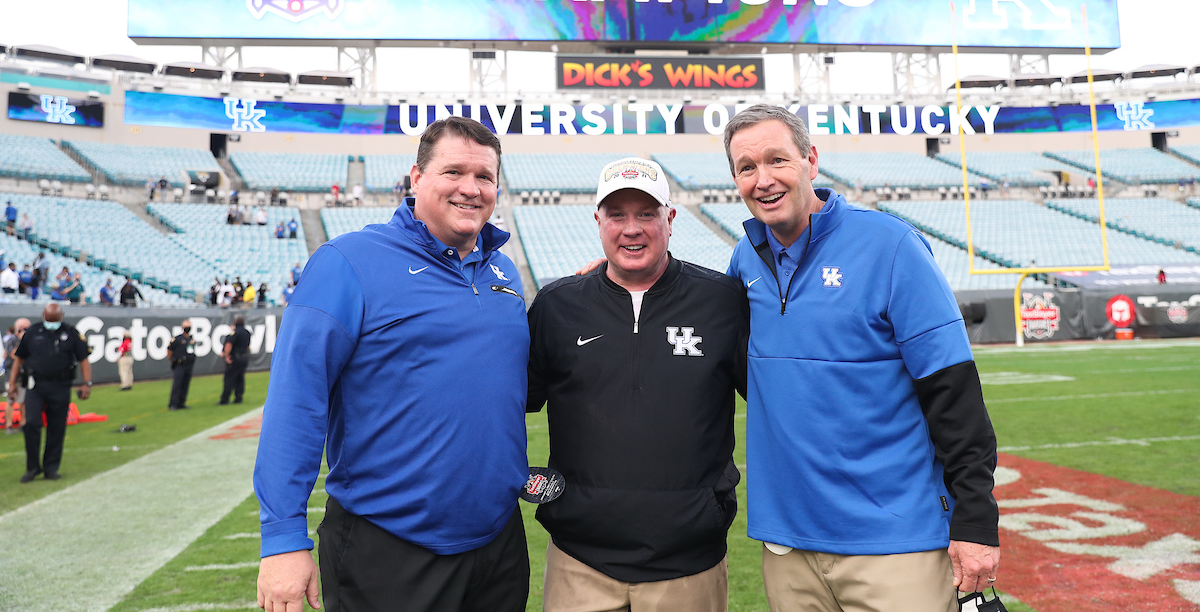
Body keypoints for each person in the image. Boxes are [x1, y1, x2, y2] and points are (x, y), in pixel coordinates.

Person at [722, 105, 1000, 612]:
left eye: (777, 160)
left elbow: (954, 392)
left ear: (811, 159)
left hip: (895, 543)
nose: (763, 180)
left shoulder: (890, 245)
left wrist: (976, 522)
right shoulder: (744, 259)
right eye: (746, 167)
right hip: (789, 546)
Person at [255, 117, 530, 612]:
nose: (471, 189)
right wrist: (282, 538)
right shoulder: (348, 261)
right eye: (453, 172)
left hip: (498, 542)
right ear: (416, 178)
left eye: (485, 177)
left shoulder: (502, 269)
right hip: (389, 545)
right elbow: (296, 404)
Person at [528, 158, 748, 612]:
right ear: (598, 222)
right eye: (617, 215)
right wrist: (521, 476)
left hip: (691, 566)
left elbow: (777, 399)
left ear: (670, 219)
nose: (632, 229)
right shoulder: (557, 306)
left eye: (646, 214)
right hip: (578, 563)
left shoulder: (723, 303)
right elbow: (508, 404)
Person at [8, 303, 91, 482]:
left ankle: (51, 468)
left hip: (61, 385)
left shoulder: (71, 333)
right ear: (43, 315)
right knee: (31, 423)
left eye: (55, 320)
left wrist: (87, 383)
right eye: (49, 319)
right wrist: (12, 384)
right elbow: (18, 359)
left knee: (57, 427)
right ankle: (32, 467)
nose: (51, 323)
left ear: (61, 316)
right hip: (35, 385)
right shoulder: (32, 332)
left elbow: (84, 359)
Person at [219, 314, 251, 405]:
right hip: (244, 357)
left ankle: (225, 399)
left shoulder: (234, 332)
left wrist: (226, 356)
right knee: (240, 378)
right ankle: (239, 397)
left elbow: (228, 345)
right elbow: (248, 346)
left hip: (235, 358)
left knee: (229, 378)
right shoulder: (247, 332)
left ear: (235, 322)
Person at [2, 318, 28, 432]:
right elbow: (13, 355)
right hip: (11, 374)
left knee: (23, 400)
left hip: (22, 374)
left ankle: (23, 423)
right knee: (11, 399)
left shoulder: (26, 340)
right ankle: (8, 425)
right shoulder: (11, 340)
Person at [167, 319, 197, 410]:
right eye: (186, 326)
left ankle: (181, 402)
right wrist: (172, 360)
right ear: (182, 328)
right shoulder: (177, 339)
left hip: (189, 364)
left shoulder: (191, 339)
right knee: (177, 384)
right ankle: (173, 403)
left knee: (185, 384)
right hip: (179, 364)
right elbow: (169, 350)